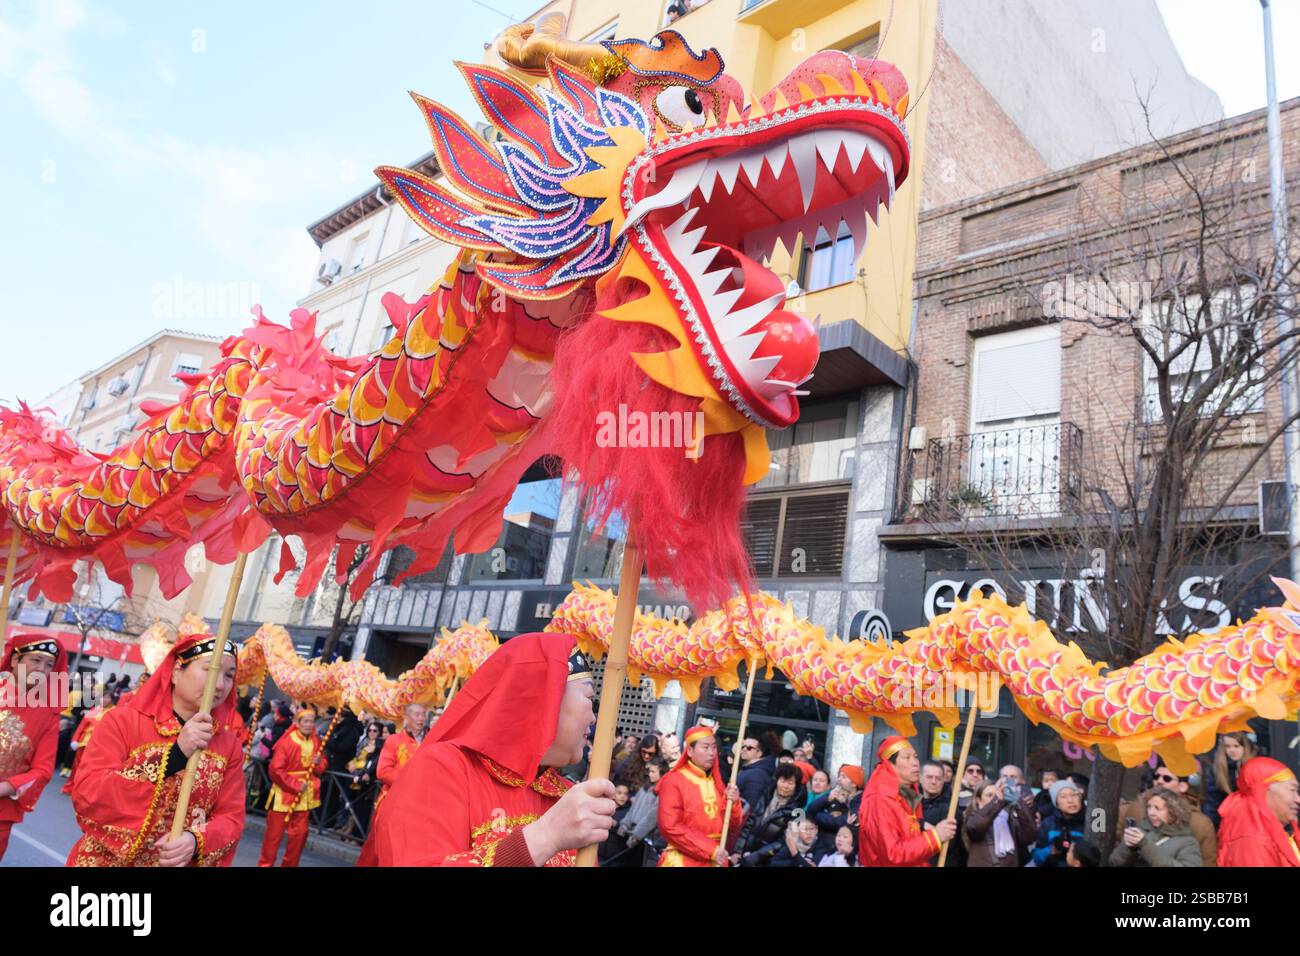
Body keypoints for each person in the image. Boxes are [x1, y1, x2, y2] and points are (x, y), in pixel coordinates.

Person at [370, 634, 615, 866]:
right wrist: (545, 837)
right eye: (589, 698)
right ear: (545, 696)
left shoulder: (566, 796)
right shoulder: (442, 770)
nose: (594, 718)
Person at [67, 621, 245, 866]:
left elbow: (231, 817)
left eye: (229, 675)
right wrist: (174, 756)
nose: (221, 684)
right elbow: (89, 793)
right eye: (210, 669)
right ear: (175, 671)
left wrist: (195, 841)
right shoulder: (122, 722)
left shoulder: (229, 746)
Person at [0, 636, 65, 861]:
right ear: (16, 660)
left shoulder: (48, 715)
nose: (42, 669)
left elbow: (43, 770)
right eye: (35, 660)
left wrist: (5, 788)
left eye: (49, 665)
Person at [858, 736, 955, 866]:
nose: (915, 763)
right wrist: (935, 836)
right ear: (889, 764)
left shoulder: (903, 796)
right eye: (907, 757)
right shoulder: (879, 799)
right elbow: (891, 855)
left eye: (915, 757)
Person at [656, 725, 743, 867]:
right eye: (706, 747)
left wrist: (733, 803)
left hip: (715, 859)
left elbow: (733, 825)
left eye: (714, 747)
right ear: (690, 751)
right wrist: (710, 850)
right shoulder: (674, 781)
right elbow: (669, 826)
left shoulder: (718, 782)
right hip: (683, 859)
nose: (711, 753)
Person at [258, 705, 328, 867]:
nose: (309, 724)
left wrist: (318, 763)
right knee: (273, 837)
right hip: (284, 795)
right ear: (297, 723)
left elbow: (322, 767)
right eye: (306, 721)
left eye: (312, 721)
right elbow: (275, 770)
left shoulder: (316, 742)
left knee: (299, 836)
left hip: (304, 797)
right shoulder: (287, 742)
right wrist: (295, 785)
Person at [1116, 761, 1216, 866]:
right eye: (1156, 776)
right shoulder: (1137, 808)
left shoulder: (1200, 823)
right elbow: (1119, 848)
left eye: (1167, 778)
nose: (1159, 781)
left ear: (1183, 786)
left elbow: (1208, 861)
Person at [1216, 756, 1300, 866]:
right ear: (1264, 790)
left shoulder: (1262, 831)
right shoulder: (1251, 840)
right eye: (1292, 790)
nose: (1298, 799)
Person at [1109, 787, 1203, 867]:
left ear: (1173, 812)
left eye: (1157, 808)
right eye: (1149, 807)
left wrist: (1145, 845)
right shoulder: (1142, 831)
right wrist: (1128, 846)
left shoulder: (1188, 843)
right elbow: (1114, 862)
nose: (1151, 813)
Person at [733, 763, 806, 865]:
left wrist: (758, 855)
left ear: (796, 786)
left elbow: (784, 841)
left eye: (790, 783)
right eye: (783, 781)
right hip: (746, 854)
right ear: (777, 781)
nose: (785, 786)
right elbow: (749, 823)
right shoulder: (765, 796)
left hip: (768, 860)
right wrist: (738, 851)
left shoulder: (798, 811)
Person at [964, 776, 1036, 867]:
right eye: (989, 795)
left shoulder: (1009, 817)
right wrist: (997, 802)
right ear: (978, 800)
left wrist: (1019, 804)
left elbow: (1030, 836)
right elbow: (976, 827)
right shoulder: (973, 816)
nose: (994, 798)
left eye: (997, 795)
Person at [615, 757, 666, 866]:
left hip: (643, 837)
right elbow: (633, 808)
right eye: (649, 771)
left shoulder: (663, 791)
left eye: (653, 771)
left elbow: (652, 817)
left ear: (661, 772)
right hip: (630, 832)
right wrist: (624, 824)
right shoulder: (645, 787)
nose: (650, 774)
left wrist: (637, 835)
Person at [1204, 732, 1258, 828]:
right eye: (1227, 746)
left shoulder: (1254, 767)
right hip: (1227, 822)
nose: (1232, 750)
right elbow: (1214, 800)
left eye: (1236, 746)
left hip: (1252, 820)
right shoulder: (1218, 768)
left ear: (1245, 747)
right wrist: (1211, 823)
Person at [807, 763, 863, 855]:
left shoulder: (859, 799)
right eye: (839, 776)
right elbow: (810, 810)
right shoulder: (835, 793)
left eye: (843, 777)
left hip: (842, 850)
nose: (839, 780)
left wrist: (817, 816)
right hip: (822, 844)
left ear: (853, 783)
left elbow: (841, 822)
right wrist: (827, 799)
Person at [1030, 778, 1086, 867]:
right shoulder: (1048, 823)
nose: (1070, 800)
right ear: (1056, 803)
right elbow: (1036, 857)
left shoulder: (1091, 821)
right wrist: (1051, 850)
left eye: (1074, 795)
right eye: (1063, 796)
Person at [735, 735, 775, 811]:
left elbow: (751, 804)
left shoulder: (757, 774)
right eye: (743, 747)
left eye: (749, 748)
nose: (744, 749)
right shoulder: (747, 769)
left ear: (759, 753)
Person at [598, 783, 634, 866]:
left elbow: (628, 829)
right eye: (619, 793)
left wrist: (617, 825)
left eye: (625, 794)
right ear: (613, 795)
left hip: (615, 856)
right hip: (599, 851)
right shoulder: (606, 807)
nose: (623, 796)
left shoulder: (629, 812)